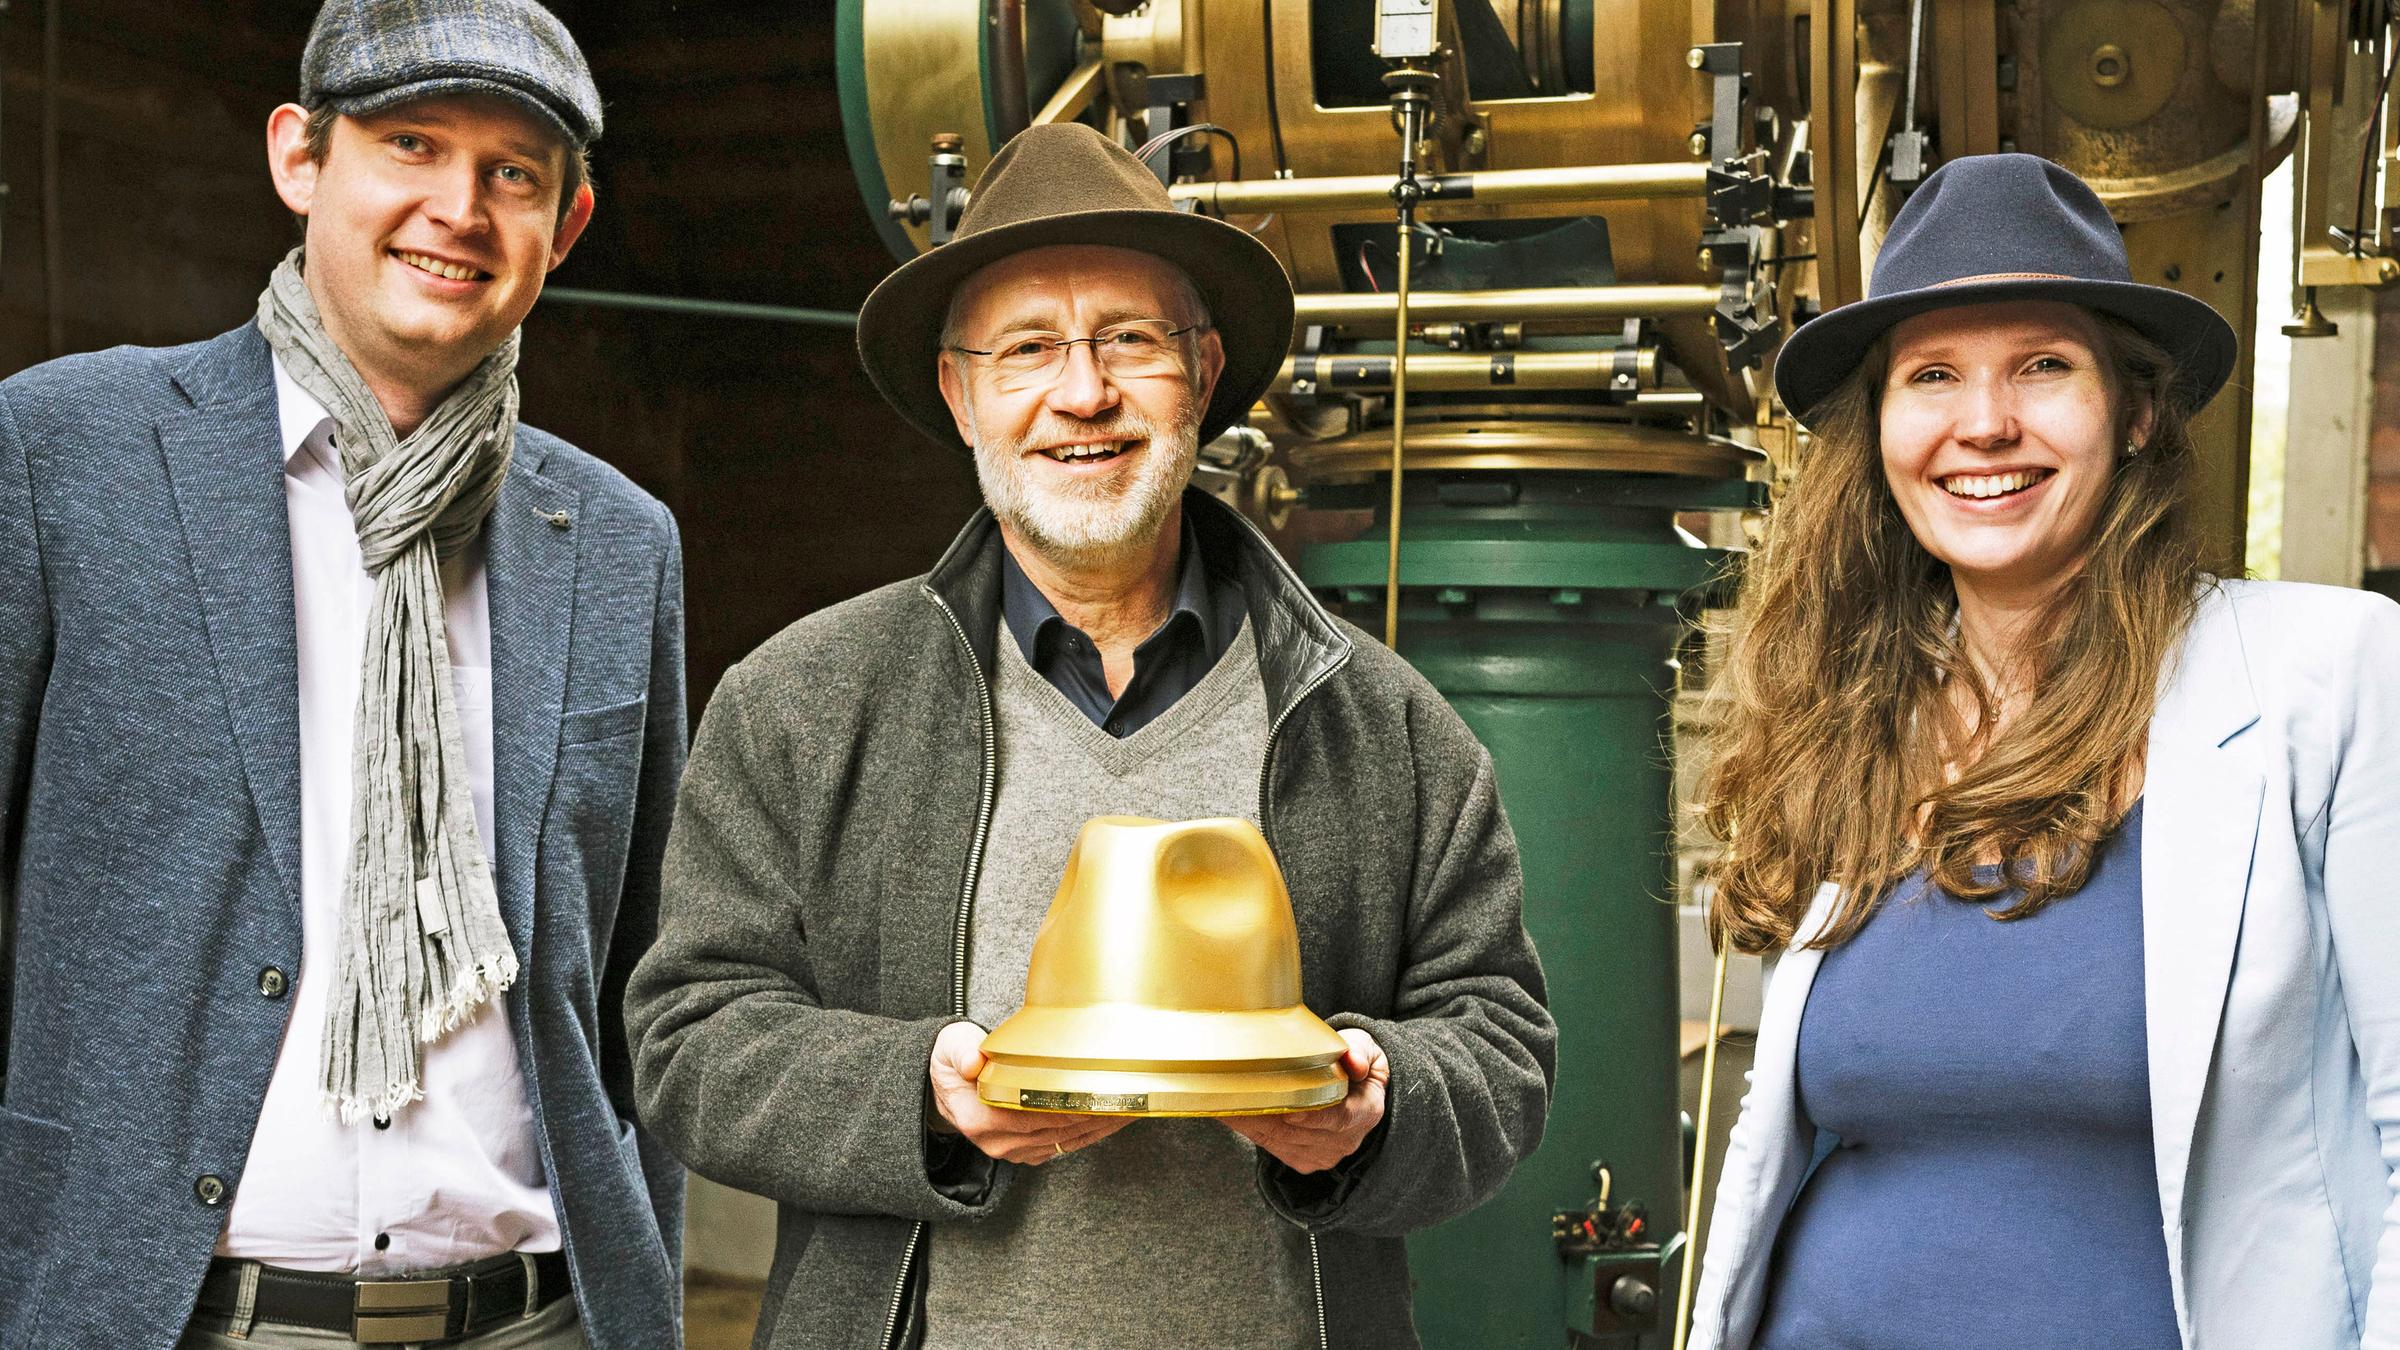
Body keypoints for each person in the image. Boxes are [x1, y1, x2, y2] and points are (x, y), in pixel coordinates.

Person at [626, 122, 1555, 1350]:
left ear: (1205, 374)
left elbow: (1500, 1042)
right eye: (1026, 350)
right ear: (962, 395)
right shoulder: (801, 701)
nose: (1083, 393)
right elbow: (690, 1036)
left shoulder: (1381, 721)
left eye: (1131, 340)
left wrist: (1374, 1109)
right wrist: (923, 1092)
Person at [0, 3, 686, 1346]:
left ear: (569, 223)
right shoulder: (62, 456)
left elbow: (644, 977)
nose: (460, 209)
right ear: (299, 160)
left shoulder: (617, 540)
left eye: (514, 175)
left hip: (535, 1318)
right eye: (411, 144)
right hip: (166, 1315)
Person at [1686, 152, 2400, 1350]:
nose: (1984, 423)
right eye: (1932, 376)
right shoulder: (1852, 716)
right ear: (1881, 431)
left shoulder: (2325, 677)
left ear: (2135, 412)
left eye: (2043, 367)